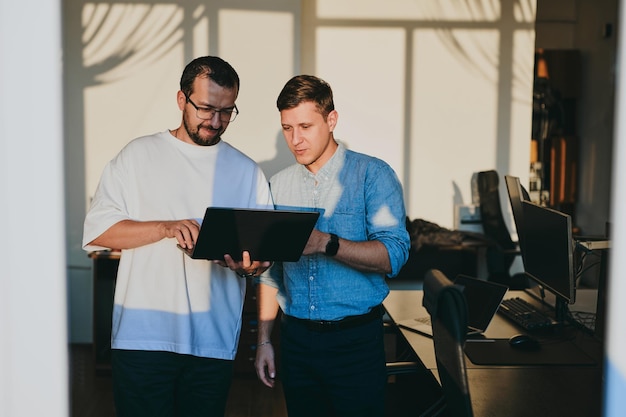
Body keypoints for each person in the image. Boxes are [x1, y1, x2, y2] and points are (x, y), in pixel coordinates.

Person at [82, 56, 273, 417]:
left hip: (213, 343)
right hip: (142, 339)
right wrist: (165, 228)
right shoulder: (137, 156)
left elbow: (262, 259)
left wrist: (250, 266)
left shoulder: (248, 172)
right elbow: (99, 231)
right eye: (206, 108)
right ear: (181, 100)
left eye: (227, 112)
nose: (215, 122)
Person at [254, 75, 411, 417]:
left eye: (305, 126)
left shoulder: (373, 174)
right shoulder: (277, 187)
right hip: (295, 343)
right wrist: (264, 341)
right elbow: (270, 274)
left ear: (331, 120)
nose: (295, 140)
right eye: (287, 128)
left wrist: (326, 243)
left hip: (355, 342)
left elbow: (394, 255)